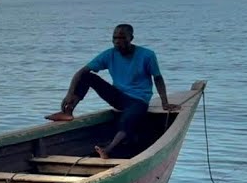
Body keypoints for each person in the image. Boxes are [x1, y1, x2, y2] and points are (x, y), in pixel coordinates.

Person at [45, 23, 180, 158]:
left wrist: (164, 102)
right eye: (115, 38)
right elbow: (81, 71)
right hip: (118, 96)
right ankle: (68, 112)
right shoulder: (110, 54)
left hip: (138, 100)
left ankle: (107, 150)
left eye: (122, 38)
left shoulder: (147, 55)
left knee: (126, 121)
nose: (117, 42)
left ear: (131, 38)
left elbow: (158, 78)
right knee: (87, 76)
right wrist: (69, 94)